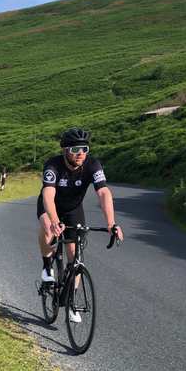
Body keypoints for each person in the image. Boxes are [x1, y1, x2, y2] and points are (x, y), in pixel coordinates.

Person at [37, 127, 124, 319]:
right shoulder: (53, 165)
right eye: (75, 150)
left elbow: (103, 192)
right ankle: (46, 267)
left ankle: (71, 302)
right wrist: (54, 220)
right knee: (49, 230)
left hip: (73, 210)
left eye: (84, 149)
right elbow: (48, 195)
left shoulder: (93, 165)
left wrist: (111, 223)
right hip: (50, 207)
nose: (81, 154)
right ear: (65, 150)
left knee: (76, 257)